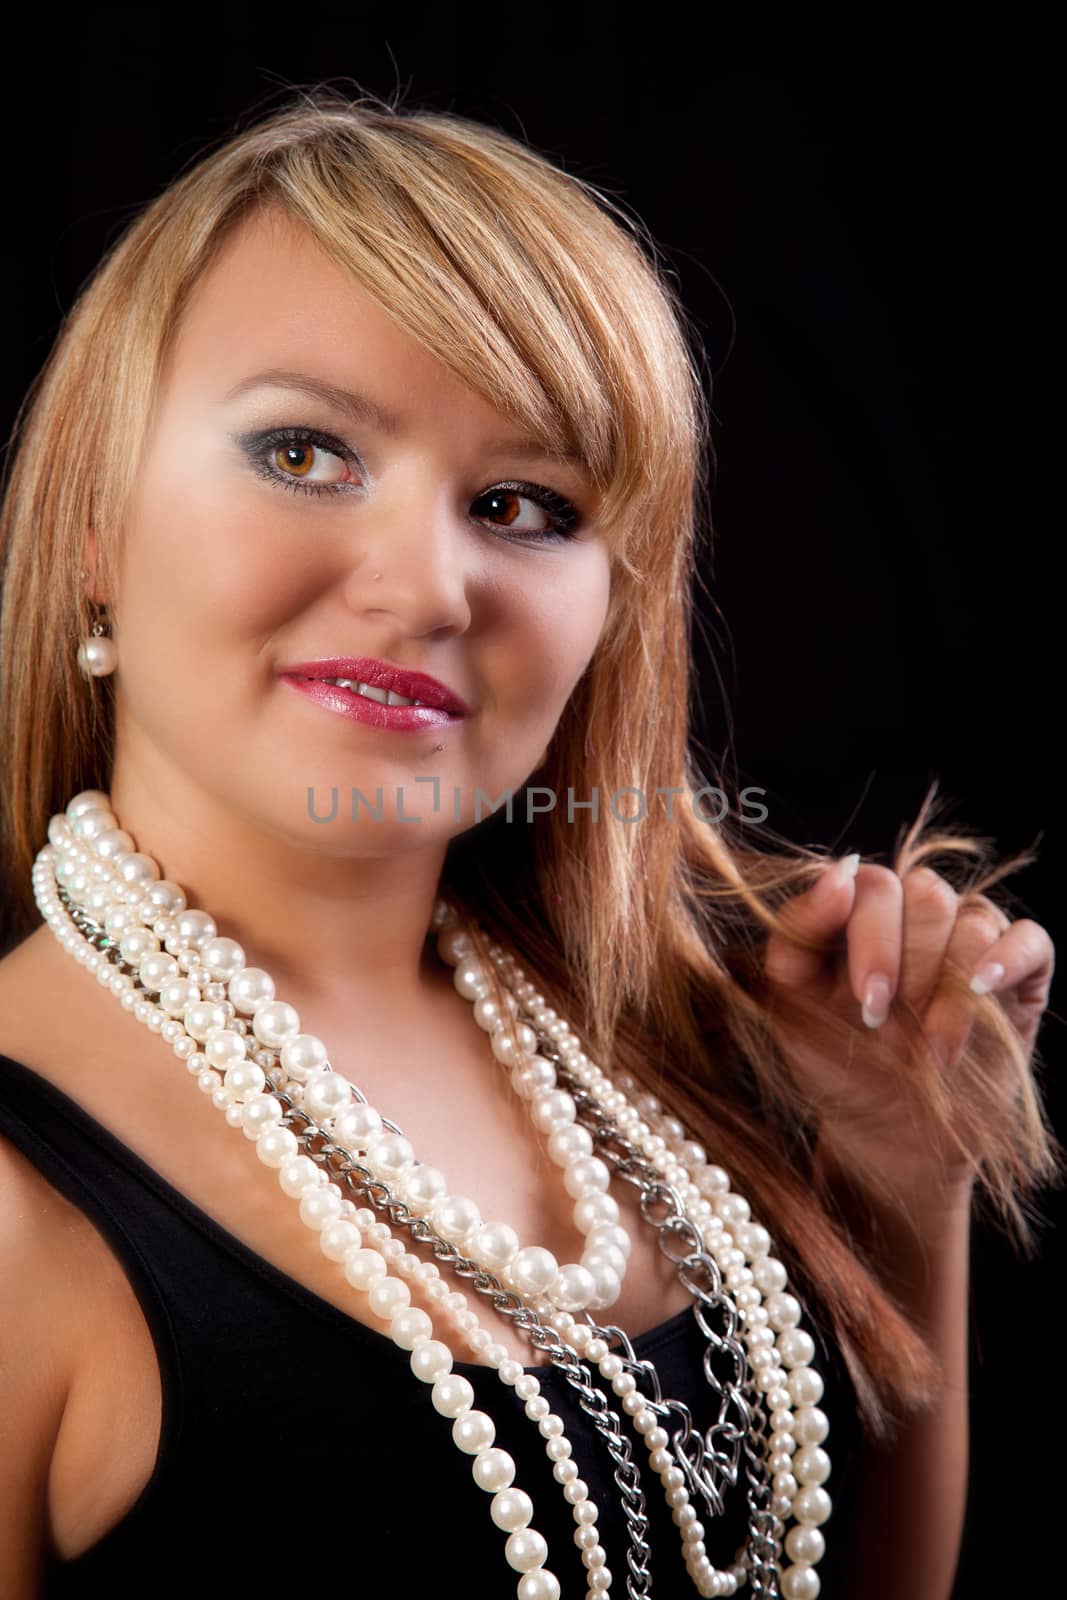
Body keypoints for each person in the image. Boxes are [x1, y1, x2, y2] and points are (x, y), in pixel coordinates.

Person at [0, 86, 1056, 1600]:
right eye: (305, 452)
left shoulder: (660, 1080)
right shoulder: (17, 1212)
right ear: (98, 523)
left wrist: (902, 1197)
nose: (428, 586)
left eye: (522, 503)